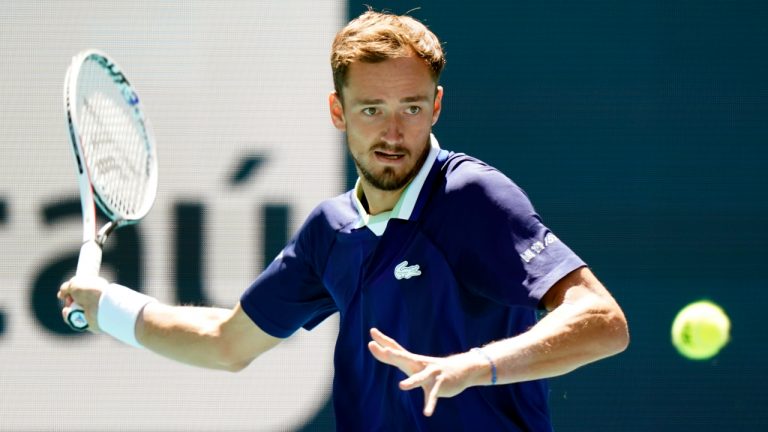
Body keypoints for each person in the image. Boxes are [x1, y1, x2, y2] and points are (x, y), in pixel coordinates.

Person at [58, 10, 629, 431]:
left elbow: (603, 320)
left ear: (436, 107)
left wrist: (474, 366)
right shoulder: (331, 232)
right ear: (339, 112)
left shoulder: (470, 197)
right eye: (372, 110)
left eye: (411, 108)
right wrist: (107, 306)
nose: (393, 133)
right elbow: (226, 343)